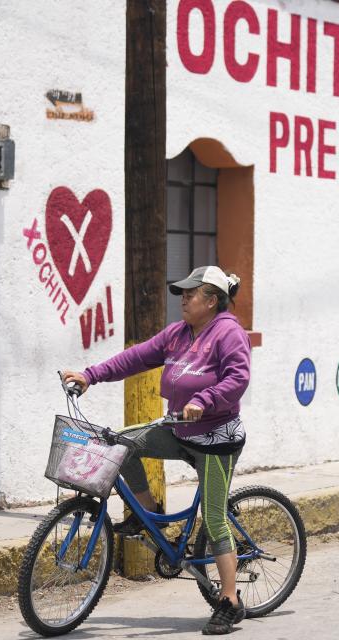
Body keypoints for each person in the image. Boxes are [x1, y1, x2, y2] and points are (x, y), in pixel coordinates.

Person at [62, 265, 251, 636]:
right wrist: (90, 375)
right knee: (122, 444)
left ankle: (229, 600)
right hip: (180, 431)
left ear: (211, 301)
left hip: (217, 439)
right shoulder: (178, 334)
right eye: (181, 294)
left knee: (214, 520)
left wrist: (205, 399)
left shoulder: (228, 333)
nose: (183, 300)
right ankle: (146, 513)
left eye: (190, 294)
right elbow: (134, 358)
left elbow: (238, 378)